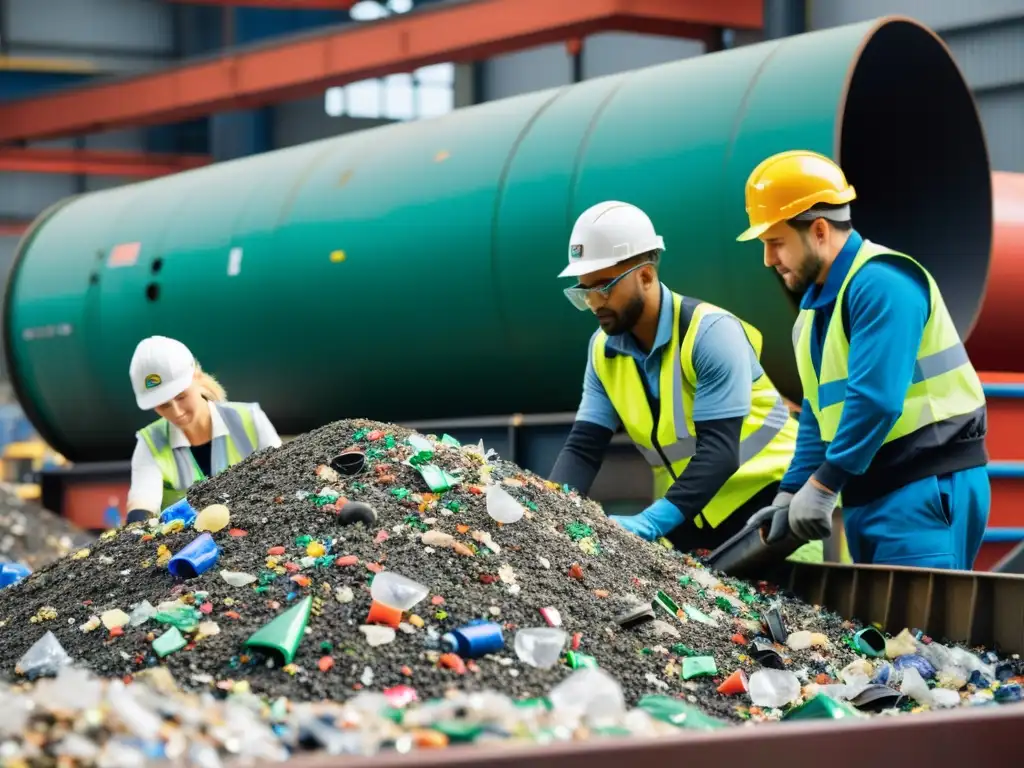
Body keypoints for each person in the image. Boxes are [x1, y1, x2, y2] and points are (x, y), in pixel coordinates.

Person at [737, 150, 989, 570]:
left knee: (919, 636)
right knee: (885, 635)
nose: (767, 259)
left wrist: (823, 485)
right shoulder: (812, 317)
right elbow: (818, 419)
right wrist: (792, 490)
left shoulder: (882, 283)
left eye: (775, 242)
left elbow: (877, 401)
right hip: (873, 493)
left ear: (818, 230)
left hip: (924, 486)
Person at [548, 200, 822, 560]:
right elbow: (583, 447)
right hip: (690, 512)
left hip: (768, 506)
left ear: (645, 276)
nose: (594, 303)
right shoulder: (602, 352)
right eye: (583, 292)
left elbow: (719, 452)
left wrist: (648, 522)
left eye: (603, 288)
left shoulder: (710, 333)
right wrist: (549, 512)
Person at [125, 336, 282, 523]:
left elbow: (280, 477)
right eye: (163, 405)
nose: (176, 412)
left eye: (181, 397)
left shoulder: (249, 419)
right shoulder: (150, 442)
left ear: (196, 377)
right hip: (184, 546)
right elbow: (143, 502)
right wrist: (136, 528)